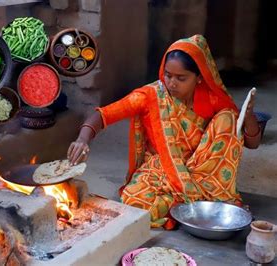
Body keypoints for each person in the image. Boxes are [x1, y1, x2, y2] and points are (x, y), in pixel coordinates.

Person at [67, 35, 261, 229]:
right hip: (162, 170)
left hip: (202, 173)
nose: (172, 83)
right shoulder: (151, 96)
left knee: (228, 117)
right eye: (168, 75)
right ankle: (194, 205)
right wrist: (82, 139)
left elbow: (252, 143)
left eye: (181, 78)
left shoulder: (212, 99)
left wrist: (249, 115)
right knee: (135, 204)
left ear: (199, 77)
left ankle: (189, 203)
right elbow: (104, 115)